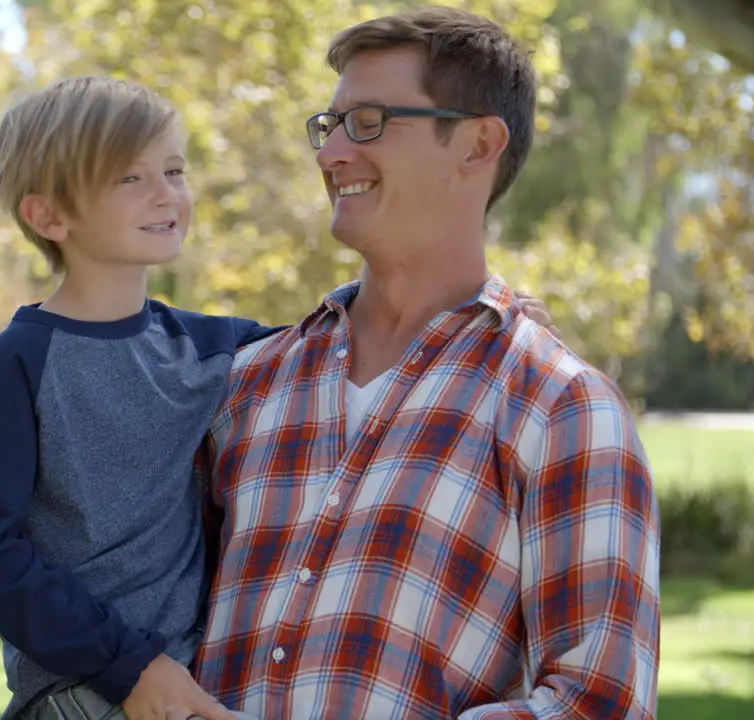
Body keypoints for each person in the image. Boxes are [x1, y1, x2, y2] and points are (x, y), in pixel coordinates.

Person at [192, 6, 661, 719]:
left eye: (369, 122)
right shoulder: (246, 387)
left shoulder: (561, 408)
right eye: (330, 124)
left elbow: (600, 701)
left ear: (477, 145)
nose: (330, 154)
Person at [0, 76, 271, 720]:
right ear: (49, 216)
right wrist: (129, 665)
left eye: (174, 170)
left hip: (192, 685)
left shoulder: (209, 348)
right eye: (130, 178)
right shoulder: (23, 359)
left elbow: (343, 337)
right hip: (81, 694)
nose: (166, 194)